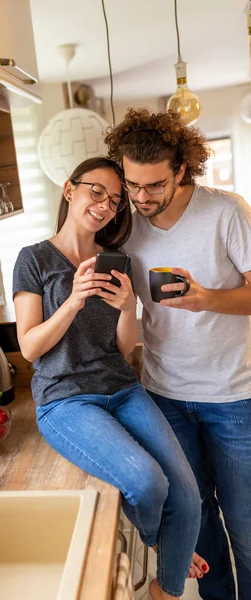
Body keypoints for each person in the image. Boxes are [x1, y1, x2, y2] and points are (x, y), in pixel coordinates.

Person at [13, 157, 206, 600]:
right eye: (95, 191)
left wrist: (126, 307)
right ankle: (158, 538)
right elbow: (29, 347)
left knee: (189, 497)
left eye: (115, 200)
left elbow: (121, 348)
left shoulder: (115, 260)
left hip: (122, 388)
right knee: (147, 483)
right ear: (69, 190)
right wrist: (74, 300)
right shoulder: (34, 259)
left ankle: (166, 589)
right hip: (65, 401)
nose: (105, 205)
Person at [106, 109, 251, 600]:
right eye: (132, 185)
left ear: (182, 171)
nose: (142, 197)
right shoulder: (126, 226)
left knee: (247, 528)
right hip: (165, 396)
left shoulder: (227, 211)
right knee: (198, 522)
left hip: (235, 397)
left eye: (154, 186)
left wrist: (206, 298)